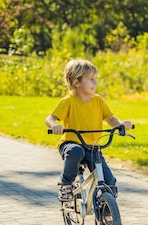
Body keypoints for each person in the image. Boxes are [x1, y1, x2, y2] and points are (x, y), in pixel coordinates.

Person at [45, 59, 133, 202]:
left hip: (93, 147)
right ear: (76, 82)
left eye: (96, 79)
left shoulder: (98, 100)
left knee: (110, 183)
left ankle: (107, 213)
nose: (95, 82)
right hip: (71, 143)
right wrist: (54, 125)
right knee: (75, 151)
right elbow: (49, 118)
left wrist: (120, 124)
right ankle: (66, 184)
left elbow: (110, 118)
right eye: (91, 79)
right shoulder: (68, 101)